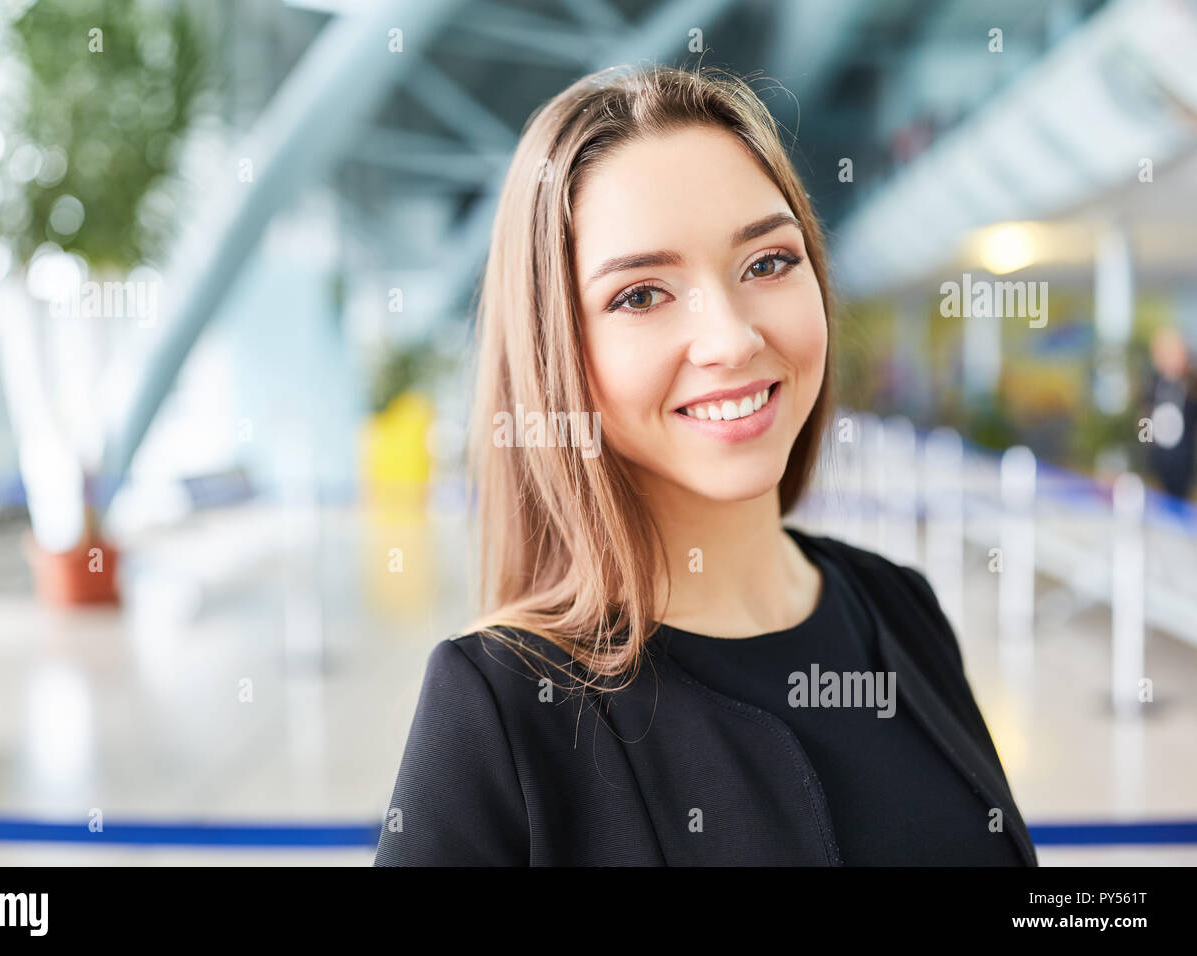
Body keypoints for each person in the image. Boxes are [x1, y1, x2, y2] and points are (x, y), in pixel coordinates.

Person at [374, 64, 1035, 866]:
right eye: (642, 295)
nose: (730, 338)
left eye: (766, 264)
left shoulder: (899, 606)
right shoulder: (500, 709)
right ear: (558, 356)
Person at [1144, 327, 1197, 503]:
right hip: (1158, 458)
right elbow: (1144, 419)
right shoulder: (1152, 385)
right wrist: (1146, 447)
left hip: (1184, 461)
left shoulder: (1190, 386)